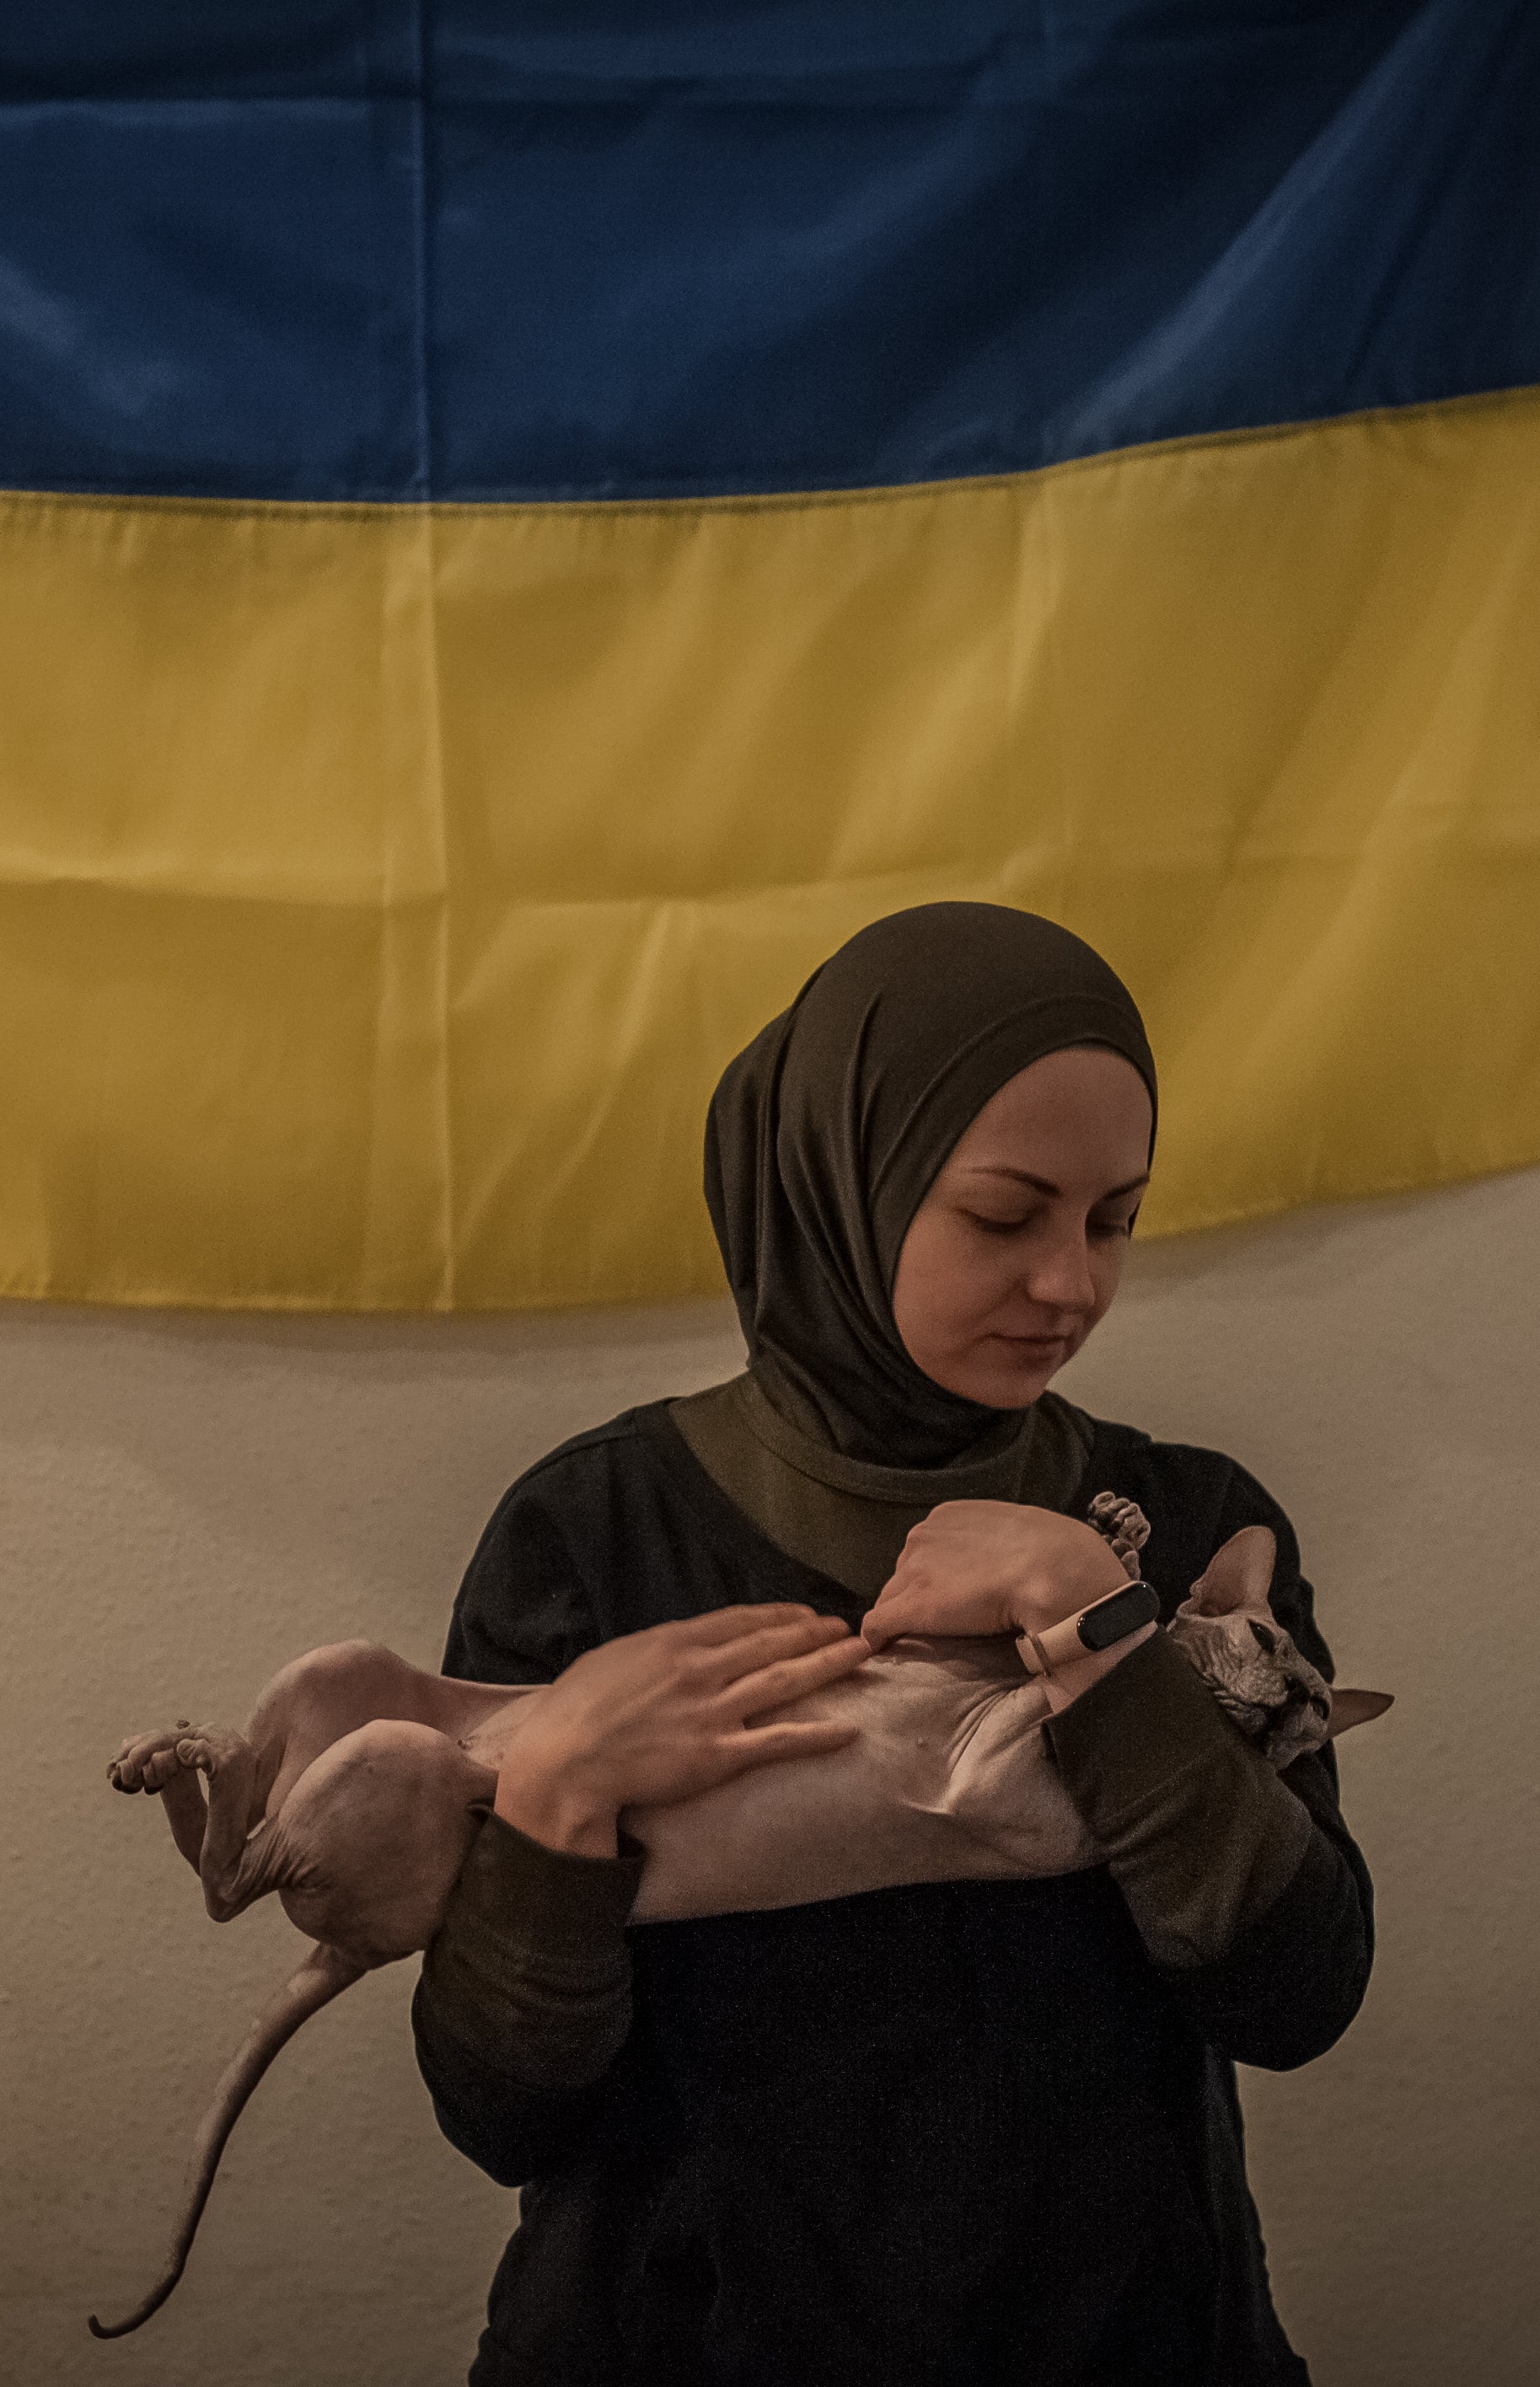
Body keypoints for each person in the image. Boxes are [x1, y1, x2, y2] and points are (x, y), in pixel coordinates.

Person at [412, 902, 1372, 2386]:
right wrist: (554, 1799)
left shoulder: (1180, 1524)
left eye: (1116, 1218)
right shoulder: (596, 1533)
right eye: (1006, 1216)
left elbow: (1297, 1996)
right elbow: (505, 2117)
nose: (1073, 1285)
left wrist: (1107, 1641)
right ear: (836, 1184)